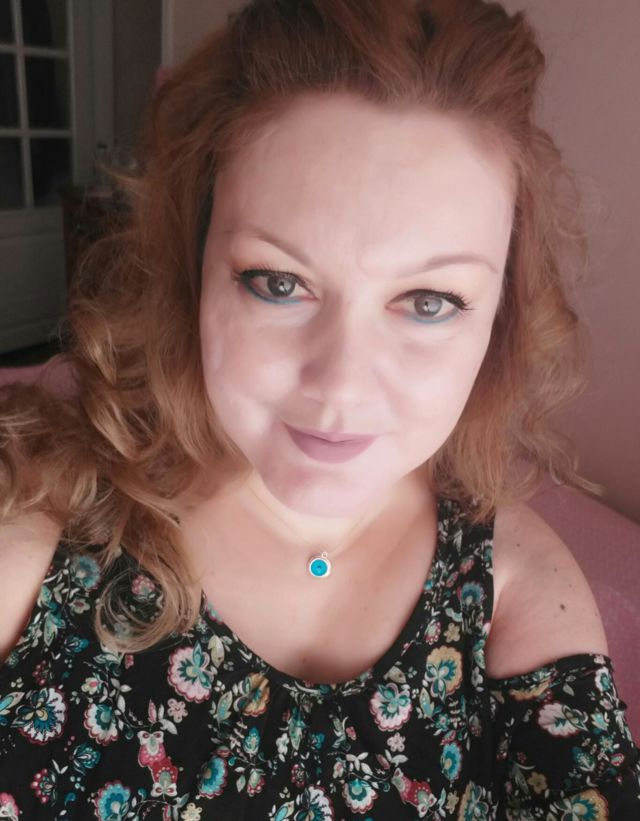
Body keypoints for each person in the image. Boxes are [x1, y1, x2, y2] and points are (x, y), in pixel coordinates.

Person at [0, 0, 638, 818]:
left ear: (500, 322)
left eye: (430, 301)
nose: (342, 387)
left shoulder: (517, 588)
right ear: (193, 270)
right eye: (279, 282)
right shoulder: (37, 531)